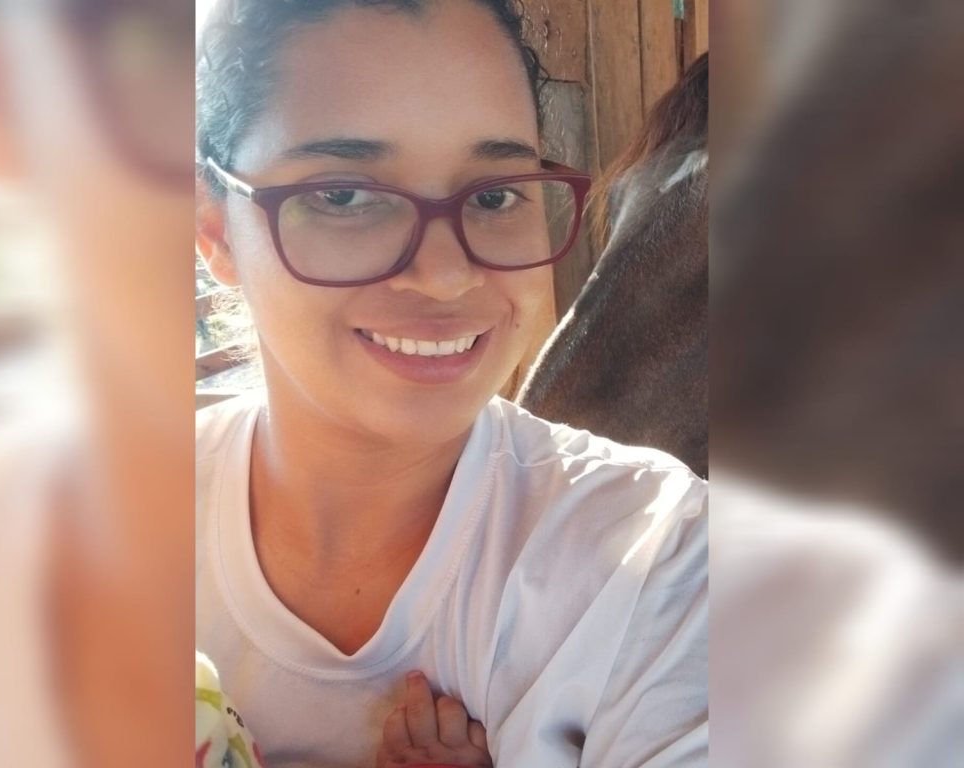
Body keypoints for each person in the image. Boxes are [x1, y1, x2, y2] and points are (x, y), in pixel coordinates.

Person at [195, 1, 707, 766]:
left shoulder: (663, 567)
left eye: (495, 196)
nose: (444, 275)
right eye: (343, 195)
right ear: (213, 230)